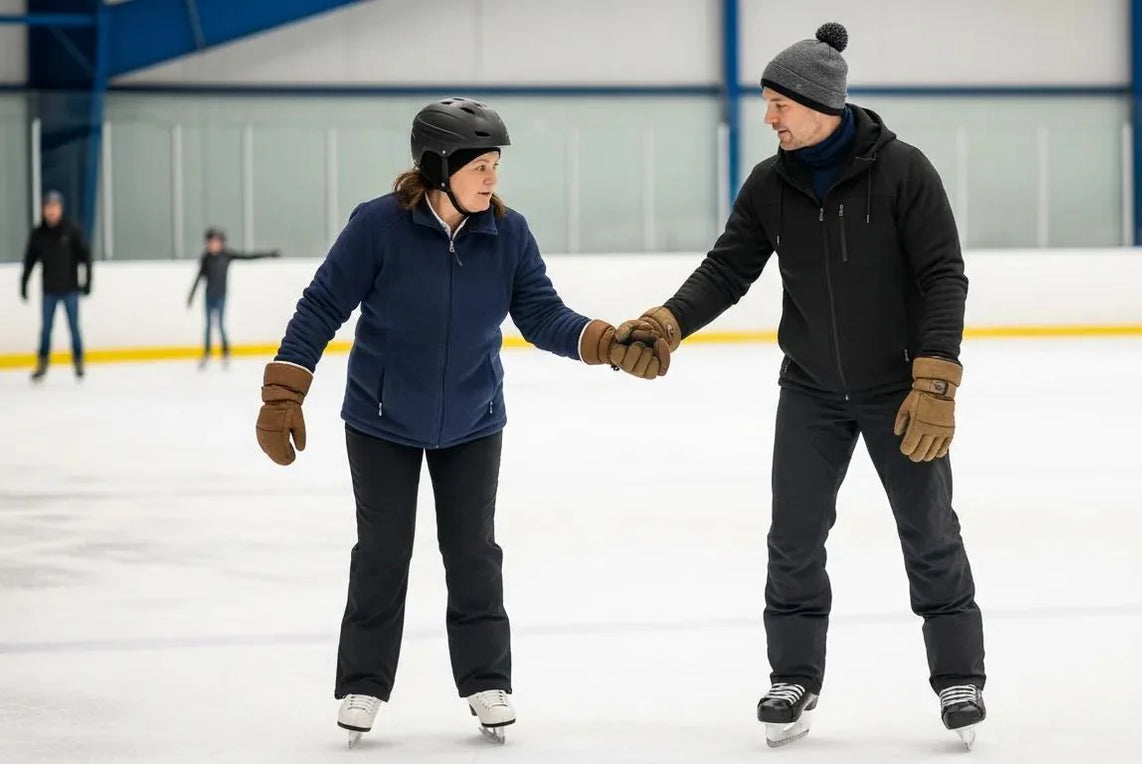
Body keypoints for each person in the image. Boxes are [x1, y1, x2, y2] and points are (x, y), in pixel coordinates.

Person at [614, 22, 986, 749]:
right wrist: (667, 323)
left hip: (898, 390)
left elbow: (944, 274)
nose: (768, 118)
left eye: (778, 104)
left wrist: (936, 376)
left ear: (819, 104)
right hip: (811, 388)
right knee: (793, 539)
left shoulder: (905, 172)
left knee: (930, 534)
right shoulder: (770, 183)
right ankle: (793, 679)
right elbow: (728, 269)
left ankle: (958, 679)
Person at [254, 97, 667, 748]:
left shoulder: (508, 235)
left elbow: (542, 316)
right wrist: (284, 393)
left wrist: (606, 343)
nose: (493, 177)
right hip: (381, 420)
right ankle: (363, 683)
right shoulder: (378, 228)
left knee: (474, 554)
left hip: (474, 421)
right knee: (383, 555)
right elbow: (320, 307)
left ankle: (485, 682)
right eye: (481, 165)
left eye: (496, 164)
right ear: (438, 166)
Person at [20, 190, 92, 381]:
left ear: (60, 208)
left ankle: (78, 361)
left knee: (74, 327)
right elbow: (30, 260)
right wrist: (24, 283)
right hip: (49, 290)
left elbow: (85, 256)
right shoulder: (39, 234)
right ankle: (42, 363)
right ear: (43, 210)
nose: (51, 211)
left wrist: (88, 281)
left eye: (55, 207)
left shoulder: (72, 230)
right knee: (45, 329)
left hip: (70, 289)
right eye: (48, 207)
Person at [187, 227, 281, 369]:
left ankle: (225, 353)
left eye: (216, 242)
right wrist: (191, 295)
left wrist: (268, 254)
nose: (214, 244)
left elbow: (248, 257)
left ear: (221, 243)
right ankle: (206, 354)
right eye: (211, 242)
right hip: (208, 297)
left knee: (220, 325)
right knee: (207, 326)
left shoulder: (226, 255)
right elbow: (199, 277)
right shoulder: (206, 258)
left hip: (221, 297)